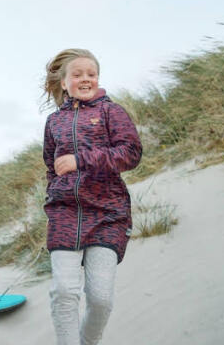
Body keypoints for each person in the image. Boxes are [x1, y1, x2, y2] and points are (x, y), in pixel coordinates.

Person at [42, 48, 142, 345]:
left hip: (107, 213)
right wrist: (53, 194)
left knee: (100, 299)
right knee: (63, 291)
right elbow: (51, 165)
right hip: (64, 213)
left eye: (91, 74)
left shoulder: (112, 112)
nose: (86, 79)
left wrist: (81, 159)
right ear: (64, 83)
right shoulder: (53, 122)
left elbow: (131, 153)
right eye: (77, 74)